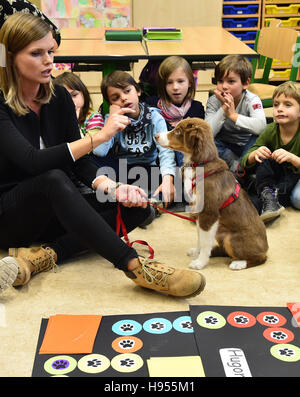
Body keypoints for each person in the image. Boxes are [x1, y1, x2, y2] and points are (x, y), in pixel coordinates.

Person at [0, 13, 205, 299]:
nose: (49, 60)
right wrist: (99, 137)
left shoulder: (58, 97)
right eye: (37, 53)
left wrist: (114, 187)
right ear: (9, 58)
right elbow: (32, 161)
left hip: (52, 208)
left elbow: (82, 163)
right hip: (10, 214)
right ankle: (134, 266)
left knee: (139, 207)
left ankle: (41, 257)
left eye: (50, 51)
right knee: (55, 179)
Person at [93, 70, 177, 209]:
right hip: (121, 172)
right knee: (95, 163)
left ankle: (153, 204)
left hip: (149, 169)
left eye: (127, 91)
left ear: (138, 91)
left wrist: (168, 180)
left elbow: (165, 152)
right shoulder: (111, 120)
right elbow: (99, 152)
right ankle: (135, 201)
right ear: (111, 104)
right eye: (116, 98)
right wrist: (111, 125)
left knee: (176, 176)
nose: (124, 98)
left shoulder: (155, 117)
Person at [240, 81, 300, 223]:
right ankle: (268, 197)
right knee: (264, 160)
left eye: (288, 105)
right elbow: (245, 160)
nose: (279, 109)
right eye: (276, 104)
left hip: (296, 175)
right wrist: (254, 155)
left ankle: (267, 199)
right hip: (277, 176)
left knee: (297, 199)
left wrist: (293, 158)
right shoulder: (271, 129)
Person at [205, 55, 266, 172]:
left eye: (231, 81)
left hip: (246, 145)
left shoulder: (252, 100)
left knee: (260, 140)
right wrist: (224, 108)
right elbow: (209, 133)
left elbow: (261, 127)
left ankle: (238, 165)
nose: (224, 86)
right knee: (207, 143)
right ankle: (238, 167)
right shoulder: (214, 100)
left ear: (245, 83)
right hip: (224, 145)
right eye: (220, 81)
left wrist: (233, 115)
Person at [144, 55, 205, 167]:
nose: (175, 87)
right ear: (163, 85)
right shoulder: (152, 105)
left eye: (180, 81)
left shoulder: (197, 108)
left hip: (188, 163)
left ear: (190, 82)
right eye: (169, 82)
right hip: (160, 160)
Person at [53, 71, 104, 138]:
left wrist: (74, 123)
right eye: (63, 98)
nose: (70, 101)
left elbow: (91, 146)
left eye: (74, 95)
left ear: (84, 93)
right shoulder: (55, 118)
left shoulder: (94, 118)